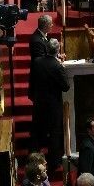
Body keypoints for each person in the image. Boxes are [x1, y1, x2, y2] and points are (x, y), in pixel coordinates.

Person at [30, 37, 69, 171]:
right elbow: (66, 87)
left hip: (39, 102)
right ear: (57, 50)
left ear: (46, 49)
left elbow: (32, 81)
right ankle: (53, 162)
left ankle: (33, 160)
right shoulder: (57, 66)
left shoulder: (36, 62)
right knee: (54, 133)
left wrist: (32, 96)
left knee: (36, 131)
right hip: (53, 105)